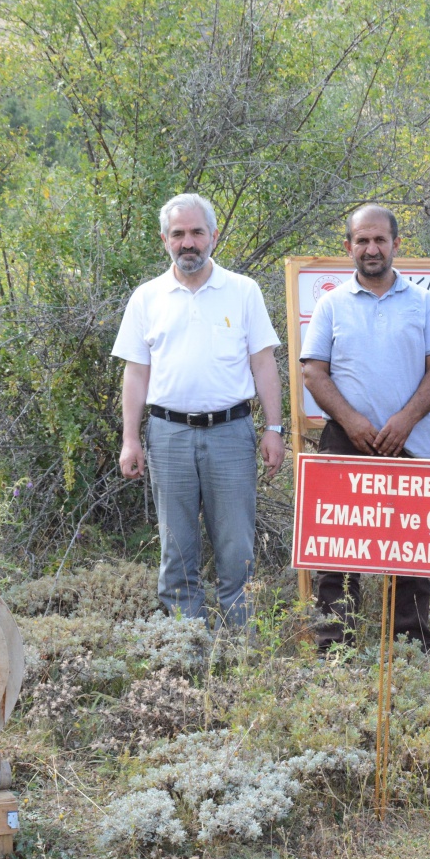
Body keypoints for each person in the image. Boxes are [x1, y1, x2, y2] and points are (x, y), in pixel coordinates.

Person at [112, 193, 284, 628]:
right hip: (168, 435)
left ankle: (238, 642)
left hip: (231, 433)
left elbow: (263, 363)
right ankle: (185, 641)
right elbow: (136, 372)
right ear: (164, 240)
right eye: (178, 234)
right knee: (176, 546)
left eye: (196, 232)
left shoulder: (243, 291)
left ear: (214, 236)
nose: (187, 242)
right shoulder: (147, 297)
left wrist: (274, 428)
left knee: (237, 545)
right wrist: (130, 439)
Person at [300, 205, 430, 652]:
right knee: (336, 549)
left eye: (380, 240)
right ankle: (335, 646)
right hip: (345, 440)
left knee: (411, 550)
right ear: (348, 246)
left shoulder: (423, 302)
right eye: (362, 241)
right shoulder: (330, 304)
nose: (371, 249)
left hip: (411, 441)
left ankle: (409, 646)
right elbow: (313, 373)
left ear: (396, 244)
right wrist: (352, 421)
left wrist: (405, 421)